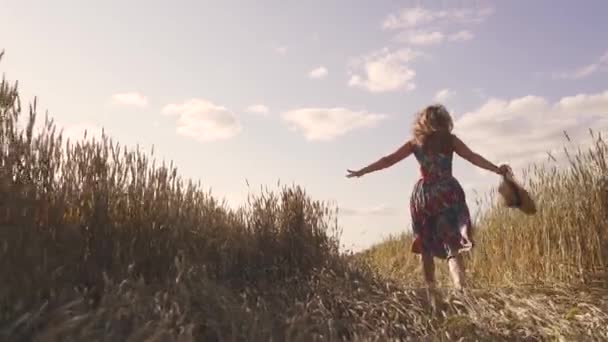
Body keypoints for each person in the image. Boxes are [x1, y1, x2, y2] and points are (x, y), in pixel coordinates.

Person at [346, 104, 509, 290]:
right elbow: (472, 157)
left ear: (422, 122)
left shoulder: (415, 143)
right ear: (445, 120)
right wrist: (496, 169)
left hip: (423, 197)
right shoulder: (450, 141)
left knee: (425, 248)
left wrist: (363, 171)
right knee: (452, 245)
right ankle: (461, 288)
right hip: (447, 192)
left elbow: (388, 160)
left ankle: (432, 293)